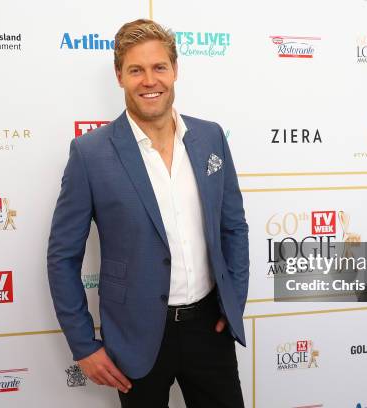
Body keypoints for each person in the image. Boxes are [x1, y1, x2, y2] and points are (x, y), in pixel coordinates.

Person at [47, 19, 249, 408]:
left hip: (211, 328)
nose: (149, 80)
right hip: (134, 338)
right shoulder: (90, 154)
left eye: (159, 67)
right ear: (119, 75)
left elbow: (233, 227)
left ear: (175, 70)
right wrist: (84, 345)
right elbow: (62, 258)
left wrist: (233, 300)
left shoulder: (211, 137)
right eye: (136, 70)